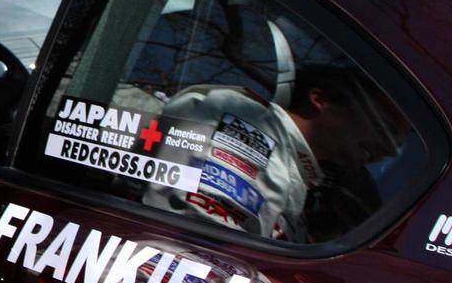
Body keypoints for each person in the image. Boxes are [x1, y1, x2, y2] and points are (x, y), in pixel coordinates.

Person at [143, 65, 402, 243]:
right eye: (384, 127)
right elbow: (200, 241)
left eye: (398, 140)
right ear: (319, 100)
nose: (390, 148)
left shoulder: (303, 176)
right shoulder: (246, 119)